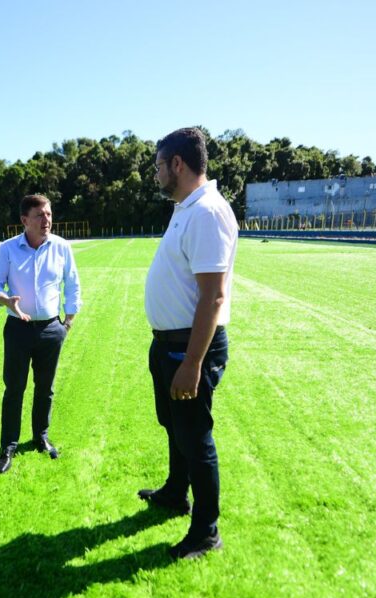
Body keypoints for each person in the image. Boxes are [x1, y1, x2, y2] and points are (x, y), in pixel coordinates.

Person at [140, 127, 238, 560]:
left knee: (194, 435)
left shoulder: (206, 212)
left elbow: (213, 296)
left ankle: (205, 530)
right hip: (170, 343)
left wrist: (192, 362)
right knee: (174, 425)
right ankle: (176, 493)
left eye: (159, 166)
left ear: (177, 164)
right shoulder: (187, 207)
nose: (157, 174)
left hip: (189, 347)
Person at [0, 194, 81, 474]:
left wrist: (68, 322)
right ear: (24, 220)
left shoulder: (61, 247)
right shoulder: (8, 249)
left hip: (52, 328)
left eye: (49, 214)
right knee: (14, 389)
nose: (46, 220)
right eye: (39, 215)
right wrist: (7, 301)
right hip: (18, 329)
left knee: (46, 388)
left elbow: (73, 284)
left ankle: (41, 437)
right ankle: (8, 446)